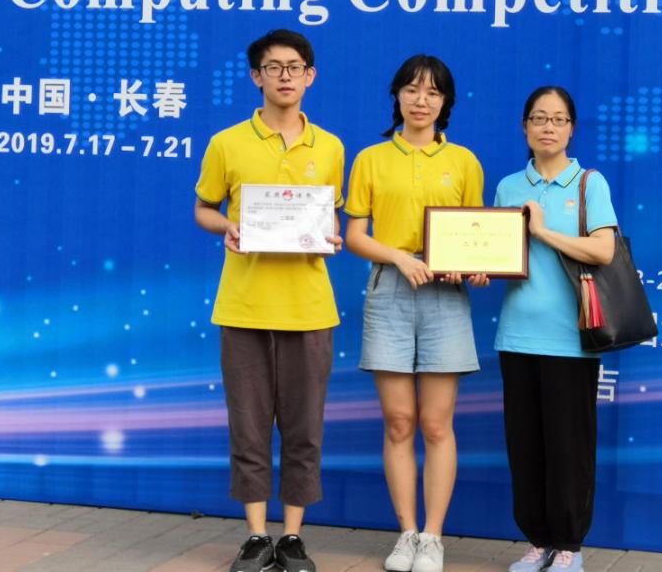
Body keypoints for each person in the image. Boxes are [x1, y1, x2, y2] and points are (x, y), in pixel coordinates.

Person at [194, 29, 344, 572]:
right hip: (244, 307)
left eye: (294, 66)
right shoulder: (227, 142)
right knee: (249, 427)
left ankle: (293, 536)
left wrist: (330, 236)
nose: (285, 75)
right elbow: (204, 209)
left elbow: (328, 216)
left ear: (310, 76)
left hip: (309, 308)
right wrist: (227, 226)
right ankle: (257, 536)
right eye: (273, 67)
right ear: (256, 76)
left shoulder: (330, 147)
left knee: (305, 429)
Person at [344, 55, 487, 572]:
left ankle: (433, 537)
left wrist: (474, 267)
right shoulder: (370, 159)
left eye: (432, 92)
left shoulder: (465, 162)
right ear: (397, 96)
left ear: (445, 102)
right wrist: (400, 258)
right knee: (399, 421)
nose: (421, 101)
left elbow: (475, 236)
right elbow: (354, 235)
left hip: (446, 298)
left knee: (435, 423)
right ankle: (406, 533)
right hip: (389, 291)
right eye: (411, 90)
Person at [493, 87, 617, 572]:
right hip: (516, 335)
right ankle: (538, 541)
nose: (548, 127)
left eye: (558, 119)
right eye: (539, 118)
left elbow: (603, 250)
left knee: (569, 448)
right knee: (525, 447)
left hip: (571, 339)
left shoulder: (589, 183)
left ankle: (569, 546)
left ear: (571, 129)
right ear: (524, 126)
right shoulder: (508, 187)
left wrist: (542, 230)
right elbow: (498, 252)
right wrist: (479, 268)